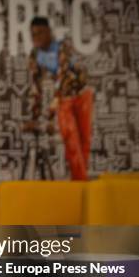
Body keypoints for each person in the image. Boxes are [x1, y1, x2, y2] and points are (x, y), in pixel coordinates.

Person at [27, 16, 94, 180]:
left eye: (40, 33)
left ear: (49, 32)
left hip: (82, 94)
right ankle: (80, 185)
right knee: (71, 141)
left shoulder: (62, 46)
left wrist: (49, 113)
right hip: (65, 100)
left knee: (84, 142)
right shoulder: (35, 55)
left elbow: (63, 78)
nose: (36, 38)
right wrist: (35, 117)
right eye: (33, 34)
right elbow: (36, 87)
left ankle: (80, 183)